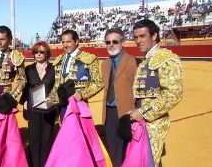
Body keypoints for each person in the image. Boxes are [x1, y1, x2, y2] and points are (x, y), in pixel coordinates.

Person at [129, 19, 183, 167]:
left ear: (154, 36)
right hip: (143, 123)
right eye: (135, 37)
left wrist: (143, 112)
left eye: (142, 36)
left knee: (149, 161)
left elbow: (173, 93)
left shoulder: (165, 58)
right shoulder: (147, 60)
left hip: (154, 123)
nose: (138, 41)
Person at [47, 29, 103, 121]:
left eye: (68, 42)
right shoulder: (59, 60)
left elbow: (98, 83)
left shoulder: (89, 59)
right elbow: (56, 84)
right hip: (62, 106)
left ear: (76, 42)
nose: (65, 45)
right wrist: (52, 97)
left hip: (79, 105)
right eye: (63, 42)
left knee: (79, 133)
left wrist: (83, 94)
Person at [101, 28, 138, 167]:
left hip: (128, 112)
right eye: (108, 42)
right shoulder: (104, 64)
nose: (111, 44)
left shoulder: (134, 61)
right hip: (109, 112)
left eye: (115, 41)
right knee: (113, 149)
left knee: (129, 148)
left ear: (122, 42)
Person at [19, 41, 55, 167]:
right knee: (34, 137)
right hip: (33, 108)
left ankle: (46, 164)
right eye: (36, 52)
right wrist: (24, 103)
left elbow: (57, 87)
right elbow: (25, 88)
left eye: (41, 52)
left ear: (47, 54)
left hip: (49, 108)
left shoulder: (54, 69)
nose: (38, 54)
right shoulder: (28, 69)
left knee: (47, 137)